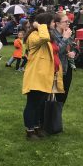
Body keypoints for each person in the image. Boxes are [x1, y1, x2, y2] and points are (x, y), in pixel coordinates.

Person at [22, 12, 63, 140]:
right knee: (32, 104)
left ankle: (36, 127)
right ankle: (29, 130)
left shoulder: (43, 33)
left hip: (44, 76)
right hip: (36, 76)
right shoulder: (34, 35)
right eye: (51, 21)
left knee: (39, 104)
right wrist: (38, 25)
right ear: (44, 23)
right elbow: (44, 38)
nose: (53, 23)